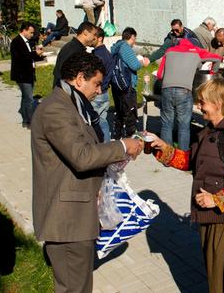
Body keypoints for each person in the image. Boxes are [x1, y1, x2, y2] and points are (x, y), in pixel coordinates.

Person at [31, 53, 143, 293]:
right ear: (80, 79)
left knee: (79, 285)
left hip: (76, 215)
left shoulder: (71, 103)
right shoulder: (56, 108)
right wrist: (122, 146)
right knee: (75, 288)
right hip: (67, 220)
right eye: (97, 83)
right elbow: (82, 157)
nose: (100, 90)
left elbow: (86, 151)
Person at [148, 78, 224, 293]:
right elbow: (190, 160)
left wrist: (216, 199)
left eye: (202, 102)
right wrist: (163, 149)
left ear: (218, 103)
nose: (199, 106)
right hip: (211, 218)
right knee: (217, 278)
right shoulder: (208, 131)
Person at [157, 38, 221, 150]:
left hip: (166, 90)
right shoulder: (197, 51)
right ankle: (182, 157)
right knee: (183, 126)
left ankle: (166, 157)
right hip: (184, 91)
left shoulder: (169, 51)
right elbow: (217, 58)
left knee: (166, 124)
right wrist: (213, 72)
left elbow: (159, 75)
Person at [109, 27, 149, 139]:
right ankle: (130, 135)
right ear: (132, 37)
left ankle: (118, 133)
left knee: (120, 110)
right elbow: (135, 65)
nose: (135, 41)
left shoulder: (116, 47)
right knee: (129, 110)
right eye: (135, 38)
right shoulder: (125, 48)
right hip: (126, 84)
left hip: (117, 83)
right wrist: (142, 62)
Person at [10, 22, 45, 128]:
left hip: (28, 73)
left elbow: (30, 56)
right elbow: (22, 57)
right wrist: (35, 54)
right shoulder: (16, 42)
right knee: (29, 98)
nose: (32, 35)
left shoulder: (27, 41)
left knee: (25, 97)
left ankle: (25, 120)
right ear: (24, 31)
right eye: (30, 32)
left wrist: (40, 56)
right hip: (22, 74)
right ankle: (31, 121)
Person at [52, 22, 97, 89]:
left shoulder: (78, 48)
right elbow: (63, 75)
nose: (95, 38)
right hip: (65, 93)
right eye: (94, 34)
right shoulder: (72, 49)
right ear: (85, 32)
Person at [91, 26, 113, 142]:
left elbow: (94, 77)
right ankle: (106, 146)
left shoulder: (98, 56)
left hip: (97, 94)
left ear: (99, 38)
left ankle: (101, 148)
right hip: (104, 93)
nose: (91, 39)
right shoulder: (107, 53)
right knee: (103, 122)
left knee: (93, 122)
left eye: (93, 36)